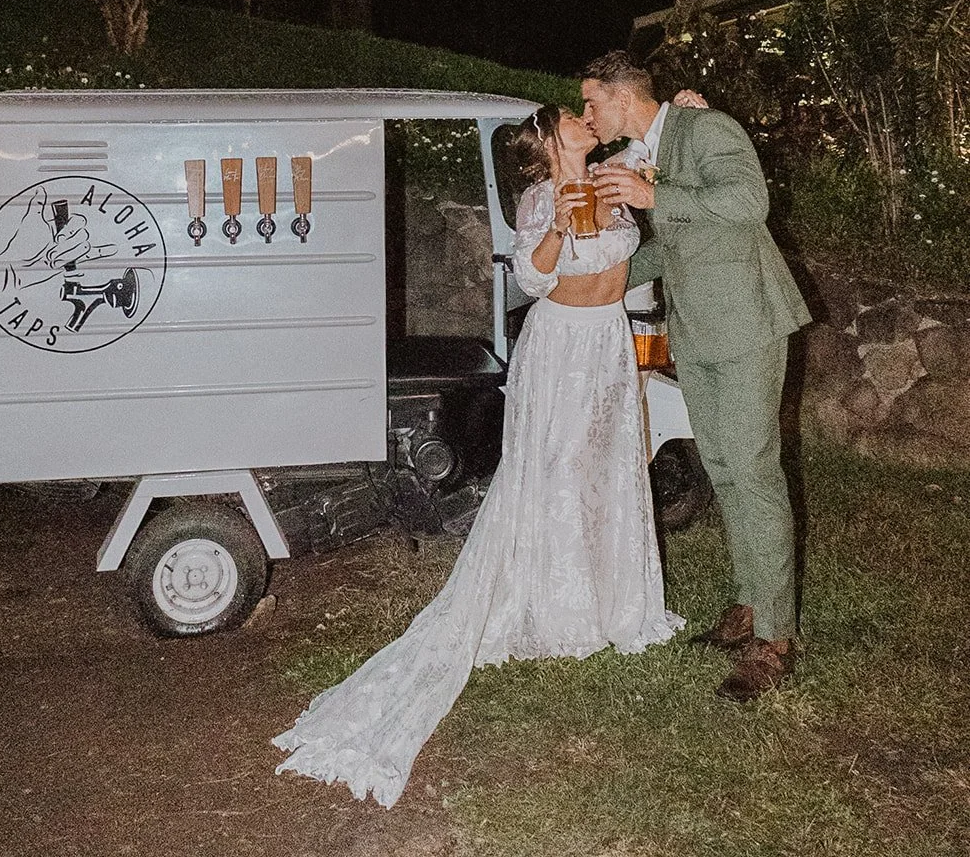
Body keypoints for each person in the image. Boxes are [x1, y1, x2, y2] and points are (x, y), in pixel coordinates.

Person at [272, 102, 684, 808]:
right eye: (574, 117)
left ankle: (616, 600)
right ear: (550, 141)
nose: (588, 119)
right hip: (560, 343)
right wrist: (557, 229)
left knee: (607, 469)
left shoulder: (614, 176)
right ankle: (560, 606)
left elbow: (661, 142)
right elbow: (530, 278)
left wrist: (686, 112)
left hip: (607, 345)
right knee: (555, 471)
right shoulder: (538, 199)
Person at [585, 51, 810, 703]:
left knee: (753, 470)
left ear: (623, 96)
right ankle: (752, 600)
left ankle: (775, 638)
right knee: (726, 469)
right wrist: (595, 282)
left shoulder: (707, 129)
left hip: (747, 324)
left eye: (592, 102)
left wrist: (653, 195)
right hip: (698, 332)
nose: (587, 115)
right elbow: (680, 242)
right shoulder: (648, 152)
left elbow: (749, 202)